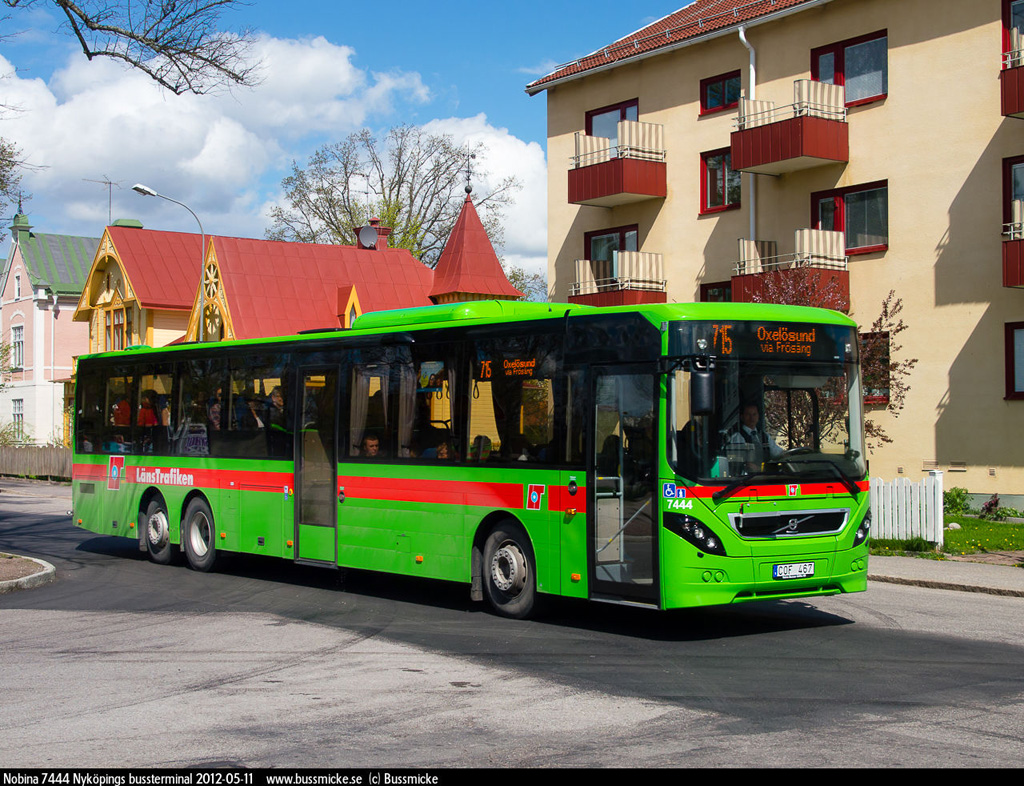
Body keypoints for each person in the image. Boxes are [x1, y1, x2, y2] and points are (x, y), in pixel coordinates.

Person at [728, 403, 783, 470]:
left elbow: (778, 454)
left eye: (754, 414)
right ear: (742, 417)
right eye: (748, 414)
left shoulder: (765, 437)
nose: (752, 418)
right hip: (747, 478)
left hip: (766, 477)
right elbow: (737, 462)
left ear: (758, 416)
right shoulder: (737, 437)